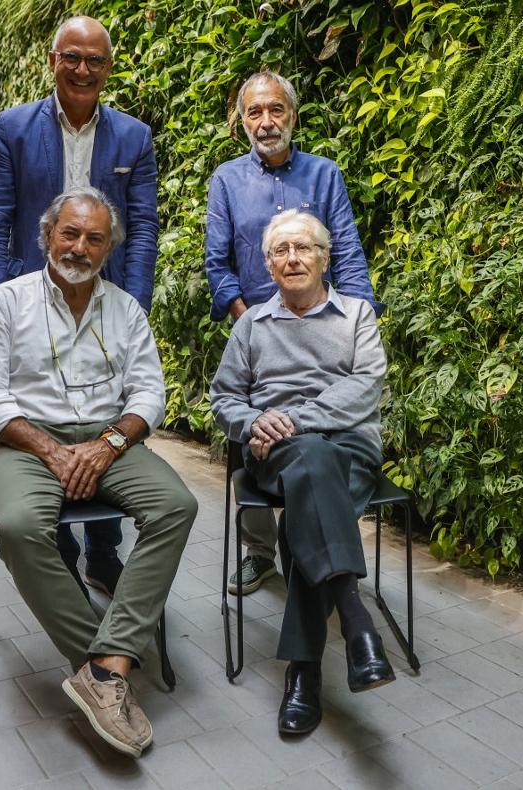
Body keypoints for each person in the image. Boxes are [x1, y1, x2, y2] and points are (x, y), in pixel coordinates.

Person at [0, 187, 195, 757]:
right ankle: (101, 669)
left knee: (176, 504)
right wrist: (51, 450)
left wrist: (107, 444)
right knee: (20, 525)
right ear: (47, 236)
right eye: (69, 233)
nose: (80, 246)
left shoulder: (125, 308)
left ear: (108, 249)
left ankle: (108, 664)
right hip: (24, 443)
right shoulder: (5, 302)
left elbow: (149, 392)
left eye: (95, 238)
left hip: (108, 442)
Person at [0, 15, 160, 594]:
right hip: (31, 302)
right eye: (71, 57)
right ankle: (58, 555)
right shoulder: (12, 129)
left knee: (102, 406)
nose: (83, 69)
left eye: (95, 60)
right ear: (52, 60)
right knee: (45, 411)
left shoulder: (134, 137)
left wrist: (131, 302)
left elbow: (144, 227)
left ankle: (104, 553)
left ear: (108, 68)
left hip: (101, 300)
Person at [209, 210, 394, 735]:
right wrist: (253, 422)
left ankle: (304, 674)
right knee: (308, 465)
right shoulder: (251, 325)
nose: (292, 258)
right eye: (281, 251)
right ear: (268, 266)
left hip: (348, 449)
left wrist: (294, 419)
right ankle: (355, 623)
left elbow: (364, 389)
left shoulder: (356, 315)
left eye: (304, 248)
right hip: (274, 453)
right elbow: (224, 397)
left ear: (325, 257)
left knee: (309, 486)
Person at [204, 71, 382, 597]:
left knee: (320, 439)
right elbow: (218, 263)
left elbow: (345, 251)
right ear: (241, 121)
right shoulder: (227, 180)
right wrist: (249, 322)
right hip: (260, 333)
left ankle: (311, 546)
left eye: (276, 110)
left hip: (322, 324)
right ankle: (260, 555)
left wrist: (356, 318)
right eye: (255, 112)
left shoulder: (324, 175)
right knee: (253, 431)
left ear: (293, 116)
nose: (266, 122)